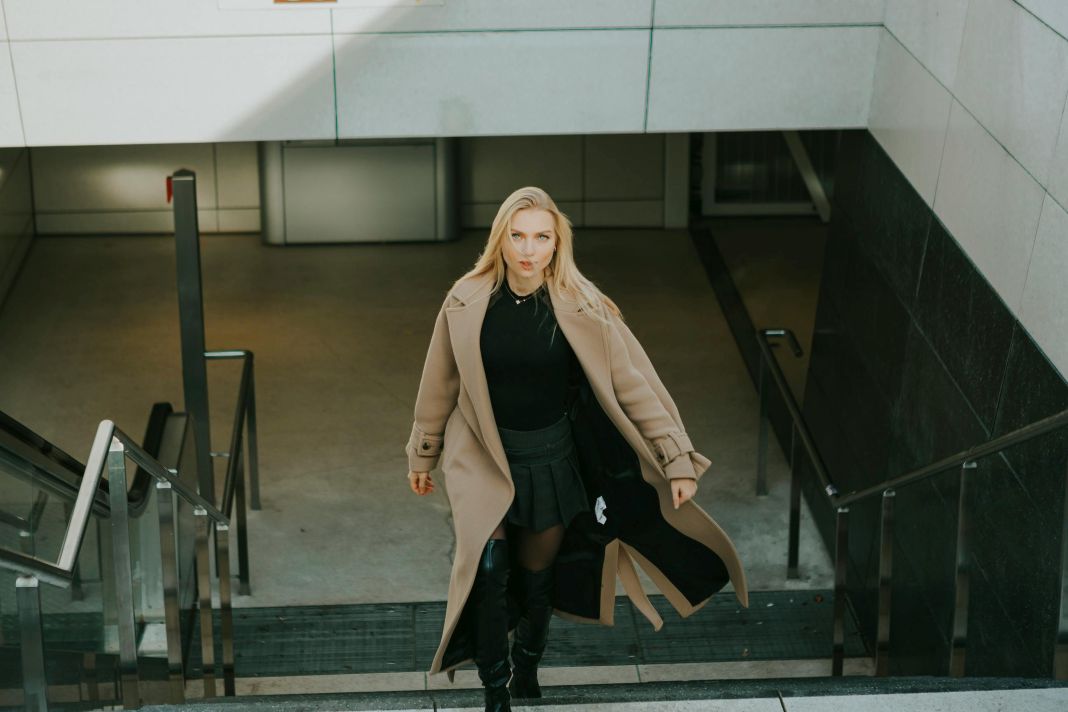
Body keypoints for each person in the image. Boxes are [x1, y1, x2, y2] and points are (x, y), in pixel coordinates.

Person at [405, 186, 748, 712]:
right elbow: (439, 382)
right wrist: (423, 453)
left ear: (557, 242)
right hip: (483, 460)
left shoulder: (583, 306)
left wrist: (675, 458)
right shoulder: (466, 299)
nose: (528, 249)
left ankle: (527, 665)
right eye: (517, 236)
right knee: (491, 568)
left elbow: (633, 384)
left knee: (538, 577)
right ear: (500, 238)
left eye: (541, 237)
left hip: (551, 461)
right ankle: (494, 689)